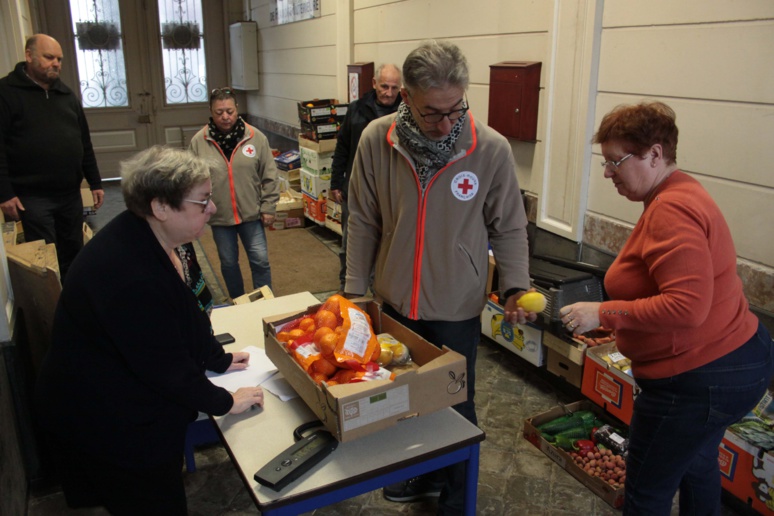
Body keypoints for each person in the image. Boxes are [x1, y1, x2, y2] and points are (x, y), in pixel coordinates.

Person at [344, 40, 537, 515]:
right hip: (393, 299)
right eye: (432, 112)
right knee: (402, 400)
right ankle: (423, 474)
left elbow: (509, 225)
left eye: (457, 108)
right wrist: (352, 290)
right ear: (405, 97)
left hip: (456, 304)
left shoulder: (489, 148)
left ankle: (457, 494)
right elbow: (362, 219)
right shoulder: (376, 139)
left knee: (455, 406)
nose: (447, 123)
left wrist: (516, 284)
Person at [559, 101, 774, 515]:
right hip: (737, 360)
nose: (607, 173)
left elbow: (687, 306)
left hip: (696, 380)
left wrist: (602, 313)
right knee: (697, 463)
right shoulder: (679, 192)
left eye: (615, 161)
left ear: (655, 154)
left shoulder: (671, 209)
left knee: (646, 494)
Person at [35, 146, 264, 515]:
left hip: (122, 397)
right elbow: (164, 366)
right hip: (105, 420)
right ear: (160, 207)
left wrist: (215, 357)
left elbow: (187, 313)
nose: (213, 208)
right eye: (202, 200)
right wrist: (225, 403)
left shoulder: (165, 240)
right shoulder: (129, 273)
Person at [0, 34, 104, 280]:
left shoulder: (66, 95)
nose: (56, 63)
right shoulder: (6, 93)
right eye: (49, 57)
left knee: (74, 252)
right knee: (46, 259)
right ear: (29, 55)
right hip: (32, 197)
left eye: (59, 59)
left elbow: (84, 142)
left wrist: (96, 182)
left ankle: (74, 301)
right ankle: (53, 309)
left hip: (69, 194)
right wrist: (4, 193)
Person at [189, 87, 279, 299]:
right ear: (211, 111)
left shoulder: (256, 138)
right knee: (228, 262)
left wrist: (268, 207)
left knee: (260, 260)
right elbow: (191, 181)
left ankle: (265, 300)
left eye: (229, 111)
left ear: (237, 109)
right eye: (219, 112)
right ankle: (238, 300)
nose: (225, 117)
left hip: (251, 213)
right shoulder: (198, 142)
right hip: (219, 216)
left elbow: (270, 176)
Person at [330, 63, 402, 291]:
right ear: (373, 84)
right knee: (351, 241)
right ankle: (348, 288)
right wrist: (336, 182)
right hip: (356, 187)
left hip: (391, 191)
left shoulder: (406, 113)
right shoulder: (356, 109)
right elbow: (342, 146)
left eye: (394, 87)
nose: (389, 93)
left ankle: (380, 290)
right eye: (384, 86)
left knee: (387, 244)